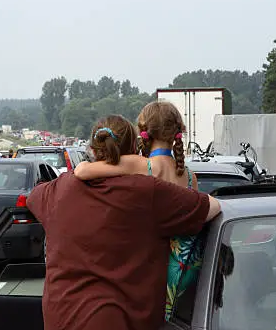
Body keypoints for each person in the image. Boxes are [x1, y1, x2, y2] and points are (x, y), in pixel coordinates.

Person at [27, 115, 221, 330]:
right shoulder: (148, 192)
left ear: (92, 149)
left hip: (60, 319)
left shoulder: (59, 190)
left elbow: (32, 197)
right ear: (134, 150)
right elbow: (212, 207)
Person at [73, 101, 200, 320]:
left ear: (145, 131)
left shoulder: (141, 165)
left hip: (148, 274)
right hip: (182, 277)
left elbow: (82, 171)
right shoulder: (190, 177)